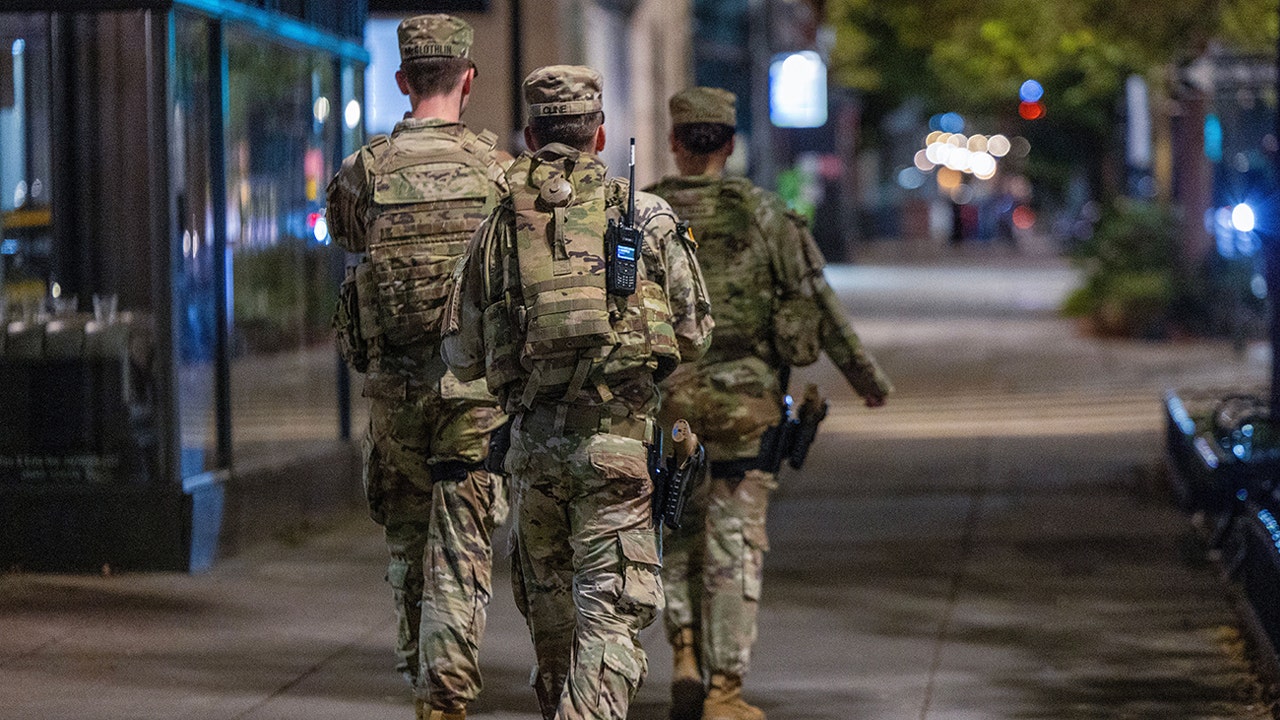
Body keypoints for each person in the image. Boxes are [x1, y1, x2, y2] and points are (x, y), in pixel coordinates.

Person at [441, 65, 714, 720]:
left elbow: (461, 353)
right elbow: (695, 332)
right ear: (601, 134)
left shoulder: (497, 227)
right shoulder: (646, 215)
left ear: (532, 136)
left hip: (533, 455)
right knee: (609, 619)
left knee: (554, 627)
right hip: (617, 449)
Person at [645, 87, 893, 720]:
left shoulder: (644, 215)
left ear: (674, 142)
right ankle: (725, 689)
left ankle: (684, 652)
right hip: (745, 404)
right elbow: (818, 299)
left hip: (668, 405)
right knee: (734, 541)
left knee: (676, 527)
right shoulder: (765, 214)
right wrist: (865, 379)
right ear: (729, 145)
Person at [325, 14, 509, 720]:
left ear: (403, 80)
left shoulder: (364, 171)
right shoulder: (498, 174)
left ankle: (421, 682)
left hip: (394, 393)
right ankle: (445, 694)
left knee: (407, 545)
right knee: (461, 546)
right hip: (472, 395)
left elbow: (346, 236)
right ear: (469, 79)